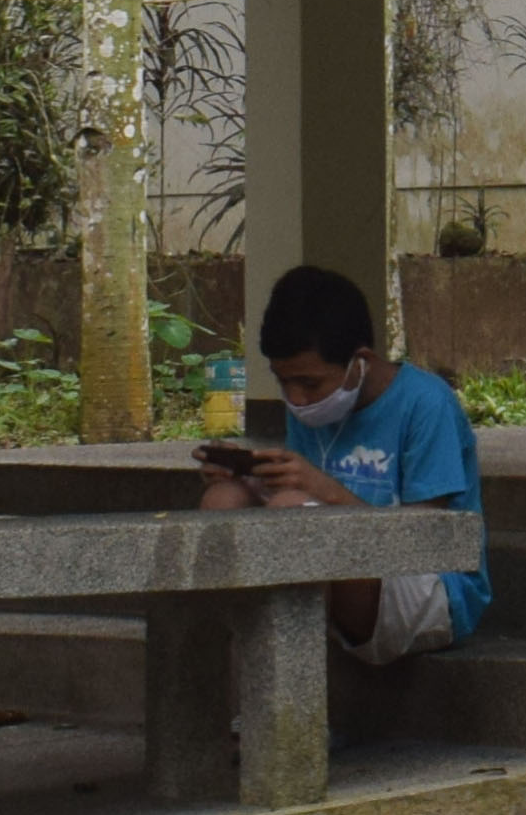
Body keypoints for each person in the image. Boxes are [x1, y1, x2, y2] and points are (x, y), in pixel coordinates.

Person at [196, 264, 486, 663]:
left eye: (310, 383)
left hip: (425, 584)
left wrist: (322, 489)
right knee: (224, 500)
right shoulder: (310, 408)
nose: (296, 399)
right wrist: (251, 480)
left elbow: (429, 540)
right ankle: (252, 677)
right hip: (334, 565)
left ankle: (293, 697)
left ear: (360, 361)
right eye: (284, 382)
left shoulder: (426, 403)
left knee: (293, 517)